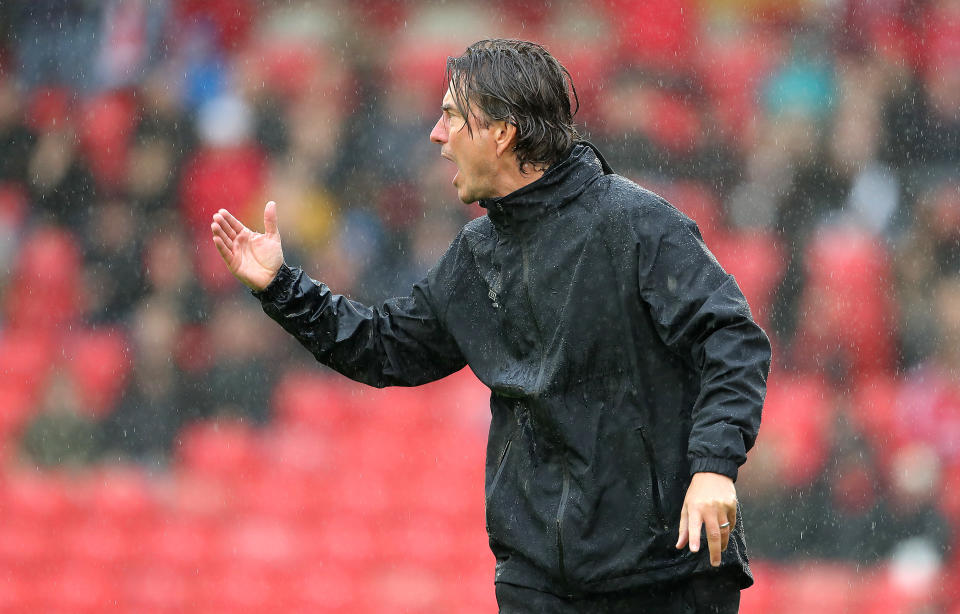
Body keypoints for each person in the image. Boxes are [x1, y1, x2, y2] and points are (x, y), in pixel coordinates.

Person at [210, 39, 770, 613]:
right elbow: (384, 348)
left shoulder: (638, 224)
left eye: (451, 114)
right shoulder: (476, 254)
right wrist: (280, 287)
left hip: (664, 577)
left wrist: (714, 468)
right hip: (539, 586)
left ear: (501, 133)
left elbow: (732, 338)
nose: (436, 133)